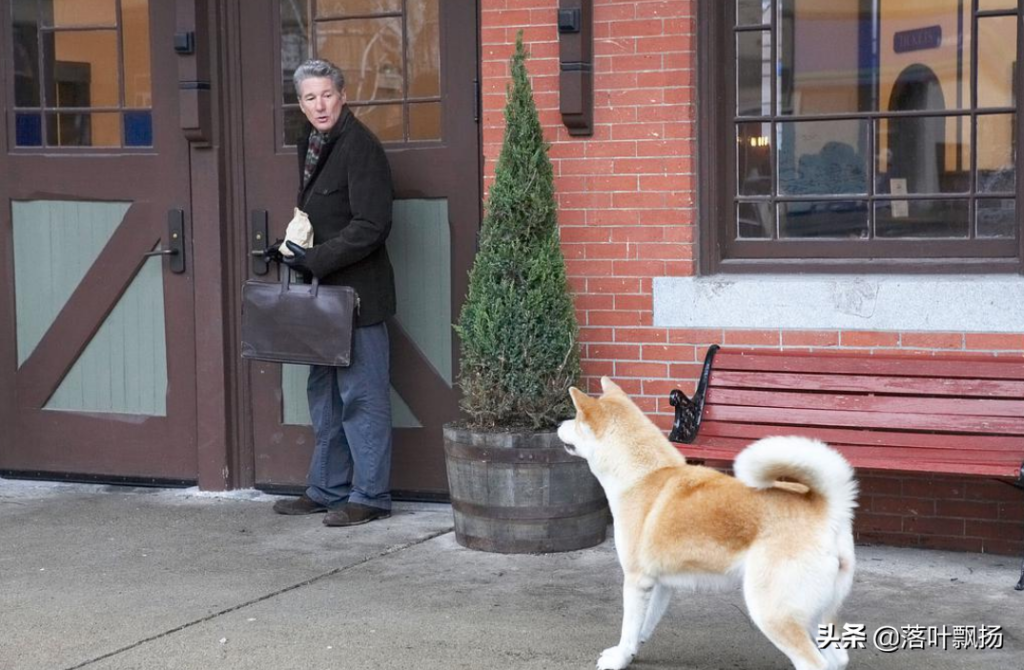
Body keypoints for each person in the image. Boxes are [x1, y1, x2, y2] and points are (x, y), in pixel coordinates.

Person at [266, 58, 395, 527]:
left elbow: (371, 226)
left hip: (358, 297)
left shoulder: (360, 146)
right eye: (308, 97)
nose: (318, 105)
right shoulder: (314, 143)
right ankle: (326, 489)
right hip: (323, 297)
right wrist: (293, 249)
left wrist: (315, 260)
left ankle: (370, 495)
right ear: (300, 104)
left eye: (326, 95)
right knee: (325, 396)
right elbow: (321, 214)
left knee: (363, 397)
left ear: (342, 96)